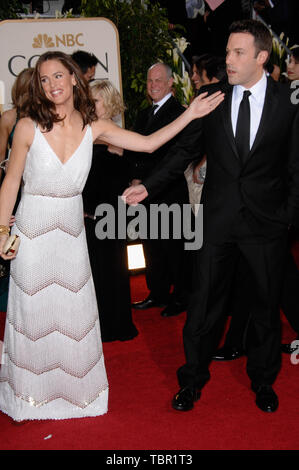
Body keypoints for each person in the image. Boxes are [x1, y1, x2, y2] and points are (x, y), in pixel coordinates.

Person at [0, 50, 223, 422]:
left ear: (74, 79)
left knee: (72, 312)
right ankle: (30, 396)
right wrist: (2, 230)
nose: (52, 84)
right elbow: (11, 181)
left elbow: (149, 144)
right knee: (34, 313)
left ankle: (73, 394)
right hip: (33, 229)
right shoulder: (27, 126)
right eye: (44, 79)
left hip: (70, 232)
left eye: (58, 76)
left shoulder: (94, 128)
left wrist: (190, 114)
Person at [123, 19, 299, 413]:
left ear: (261, 56)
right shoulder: (212, 98)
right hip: (216, 222)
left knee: (265, 308)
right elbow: (184, 152)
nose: (229, 60)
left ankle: (264, 380)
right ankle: (191, 380)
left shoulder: (288, 102)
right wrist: (148, 186)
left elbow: (295, 168)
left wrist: (286, 218)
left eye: (238, 53)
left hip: (266, 225)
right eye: (227, 52)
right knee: (203, 306)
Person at [127, 63, 190, 317]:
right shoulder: (143, 114)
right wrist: (134, 178)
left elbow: (173, 155)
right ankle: (158, 292)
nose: (153, 85)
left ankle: (182, 297)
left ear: (170, 83)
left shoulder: (179, 113)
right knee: (151, 246)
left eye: (158, 80)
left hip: (169, 191)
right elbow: (135, 150)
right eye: (149, 81)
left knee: (175, 248)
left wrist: (148, 181)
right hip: (145, 193)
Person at [83, 80, 138, 342]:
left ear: (109, 103)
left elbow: (113, 180)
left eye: (95, 100)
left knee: (111, 269)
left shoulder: (113, 134)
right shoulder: (89, 132)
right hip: (92, 214)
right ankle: (103, 326)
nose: (90, 105)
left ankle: (113, 326)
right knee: (96, 271)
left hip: (106, 215)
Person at [0, 68, 34, 312]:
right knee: (13, 243)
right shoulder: (9, 118)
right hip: (14, 189)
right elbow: (0, 162)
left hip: (38, 188)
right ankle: (12, 298)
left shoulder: (47, 117)